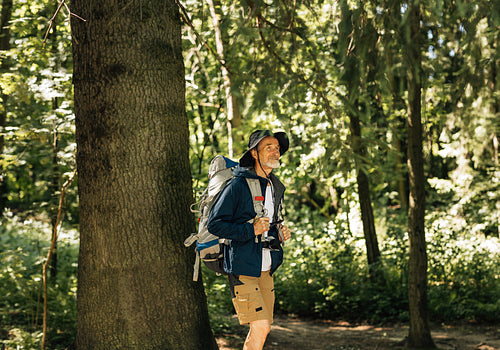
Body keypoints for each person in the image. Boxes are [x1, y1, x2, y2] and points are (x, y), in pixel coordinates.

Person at [207, 129, 292, 350]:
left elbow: (268, 223)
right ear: (254, 154)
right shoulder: (238, 185)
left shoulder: (274, 186)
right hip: (242, 266)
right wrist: (250, 230)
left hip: (266, 267)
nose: (275, 152)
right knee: (261, 325)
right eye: (268, 148)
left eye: (277, 148)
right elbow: (215, 224)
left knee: (262, 329)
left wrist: (279, 231)